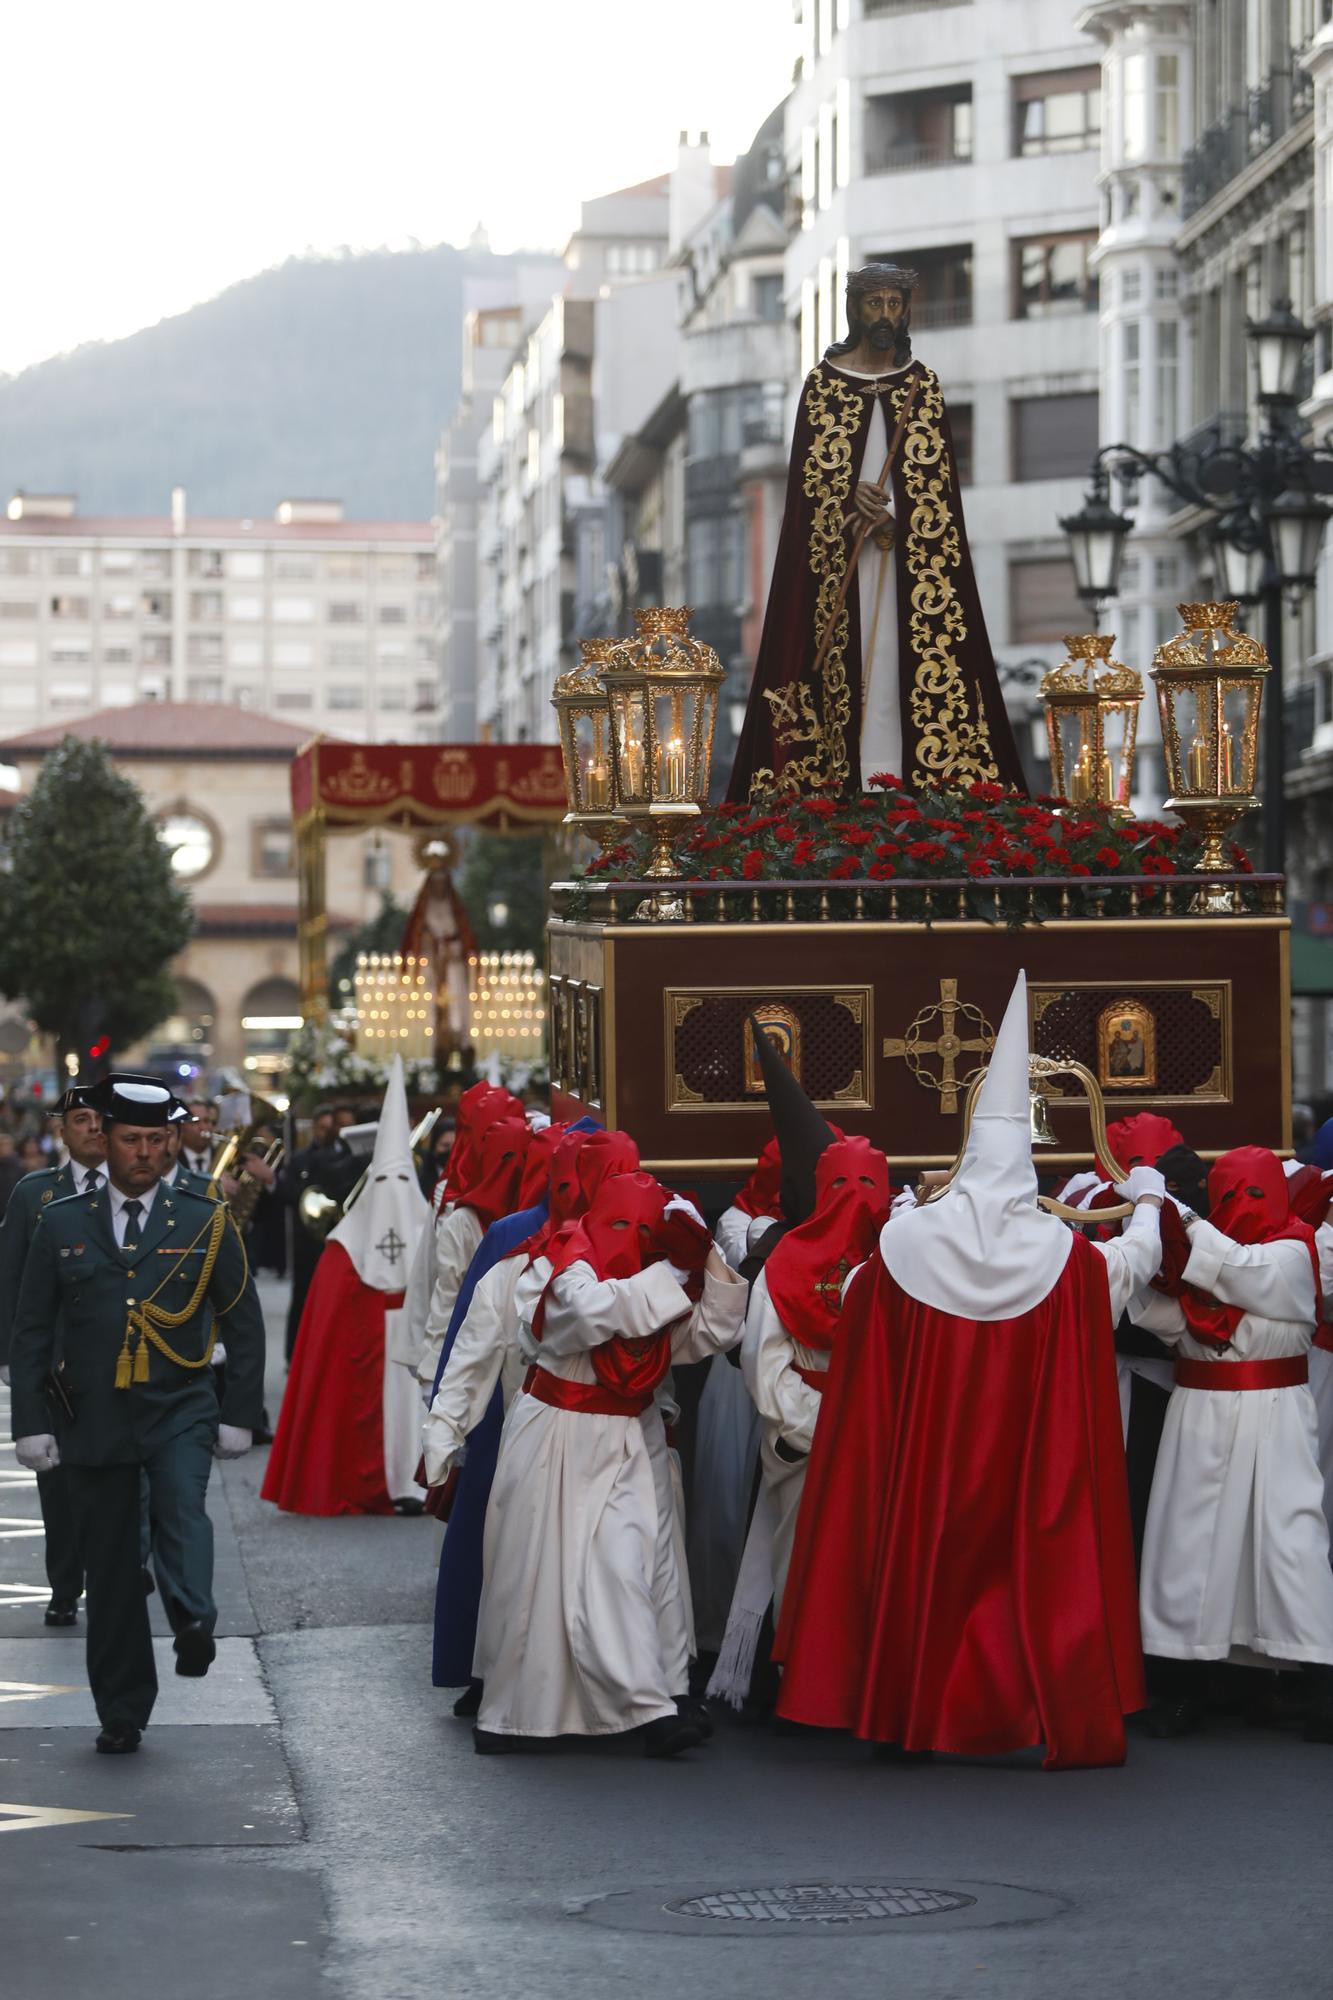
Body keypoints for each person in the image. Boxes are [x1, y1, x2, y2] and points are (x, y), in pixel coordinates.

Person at [773, 971, 1161, 1769]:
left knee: (922, 1563)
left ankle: (908, 1707)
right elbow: (1132, 1267)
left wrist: (910, 1218)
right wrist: (1151, 1201)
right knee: (1023, 1577)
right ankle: (1017, 1708)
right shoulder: (1063, 1257)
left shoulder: (906, 1245)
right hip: (1023, 1463)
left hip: (928, 1458)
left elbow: (854, 1306)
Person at [8, 1075, 265, 1755]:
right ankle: (121, 1709)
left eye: (157, 1139)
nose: (144, 1153)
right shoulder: (61, 1218)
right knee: (113, 1571)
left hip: (177, 1403)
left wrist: (239, 1411)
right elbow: (32, 1327)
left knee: (182, 1506)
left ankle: (192, 1620)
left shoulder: (203, 1216)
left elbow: (243, 1320)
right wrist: (29, 1421)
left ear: (173, 1141)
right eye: (131, 1139)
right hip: (92, 1414)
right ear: (107, 1139)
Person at [462, 1171, 746, 1756]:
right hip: (556, 1435)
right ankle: (529, 1714)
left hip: (629, 1436)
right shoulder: (562, 1262)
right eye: (622, 1223)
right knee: (542, 1575)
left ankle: (653, 1702)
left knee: (629, 1567)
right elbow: (585, 1317)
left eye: (644, 1229)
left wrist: (706, 1258)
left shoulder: (655, 1278)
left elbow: (710, 1332)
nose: (631, 1237)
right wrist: (667, 1276)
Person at [728, 262, 1025, 801]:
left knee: (897, 662)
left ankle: (914, 782)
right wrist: (846, 503)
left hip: (907, 565)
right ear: (854, 309)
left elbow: (938, 490)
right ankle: (843, 781)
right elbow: (806, 493)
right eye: (875, 304)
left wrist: (895, 518)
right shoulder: (823, 387)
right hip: (839, 567)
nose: (885, 315)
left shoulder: (922, 387)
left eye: (895, 304)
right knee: (845, 670)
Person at [1127, 1146, 1333, 1743]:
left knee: (1287, 1543)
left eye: (1257, 1192)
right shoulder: (1200, 1260)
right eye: (1232, 1195)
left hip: (1277, 1420)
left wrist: (1173, 1214)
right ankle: (1183, 1686)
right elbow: (1174, 1321)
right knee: (1190, 1548)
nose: (1245, 1207)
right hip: (1199, 1417)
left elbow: (1247, 1271)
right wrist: (1135, 1259)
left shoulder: (1294, 1251)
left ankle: (1317, 1685)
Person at [263, 1060, 431, 1517]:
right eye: (386, 1182)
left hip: (415, 1343)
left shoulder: (433, 1231)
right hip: (371, 1348)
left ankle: (416, 1485)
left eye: (403, 1182)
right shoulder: (343, 1246)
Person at [0, 1083, 108, 1626]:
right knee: (59, 1485)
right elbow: (12, 1279)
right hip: (59, 1367)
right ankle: (65, 1585)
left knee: (127, 1476)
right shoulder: (33, 1194)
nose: (92, 1127)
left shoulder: (139, 1191)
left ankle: (124, 1568)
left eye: (99, 1119)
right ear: (60, 1131)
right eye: (81, 1119)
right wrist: (10, 1358)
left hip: (124, 1360)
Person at [404, 1116, 531, 1397]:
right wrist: (432, 1373)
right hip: (471, 1351)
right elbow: (446, 1296)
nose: (513, 1168)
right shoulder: (463, 1221)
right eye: (506, 1157)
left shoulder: (533, 1218)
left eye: (523, 1156)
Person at [275, 1103, 360, 1360]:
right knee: (302, 1299)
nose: (329, 1132)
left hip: (339, 1240)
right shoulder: (302, 1158)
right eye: (323, 1127)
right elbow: (288, 1192)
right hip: (307, 1242)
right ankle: (294, 1356)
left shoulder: (350, 1158)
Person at [176, 1098, 217, 1181]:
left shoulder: (221, 1155)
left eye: (206, 1121)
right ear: (182, 1126)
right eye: (195, 1122)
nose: (203, 1127)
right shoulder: (173, 1161)